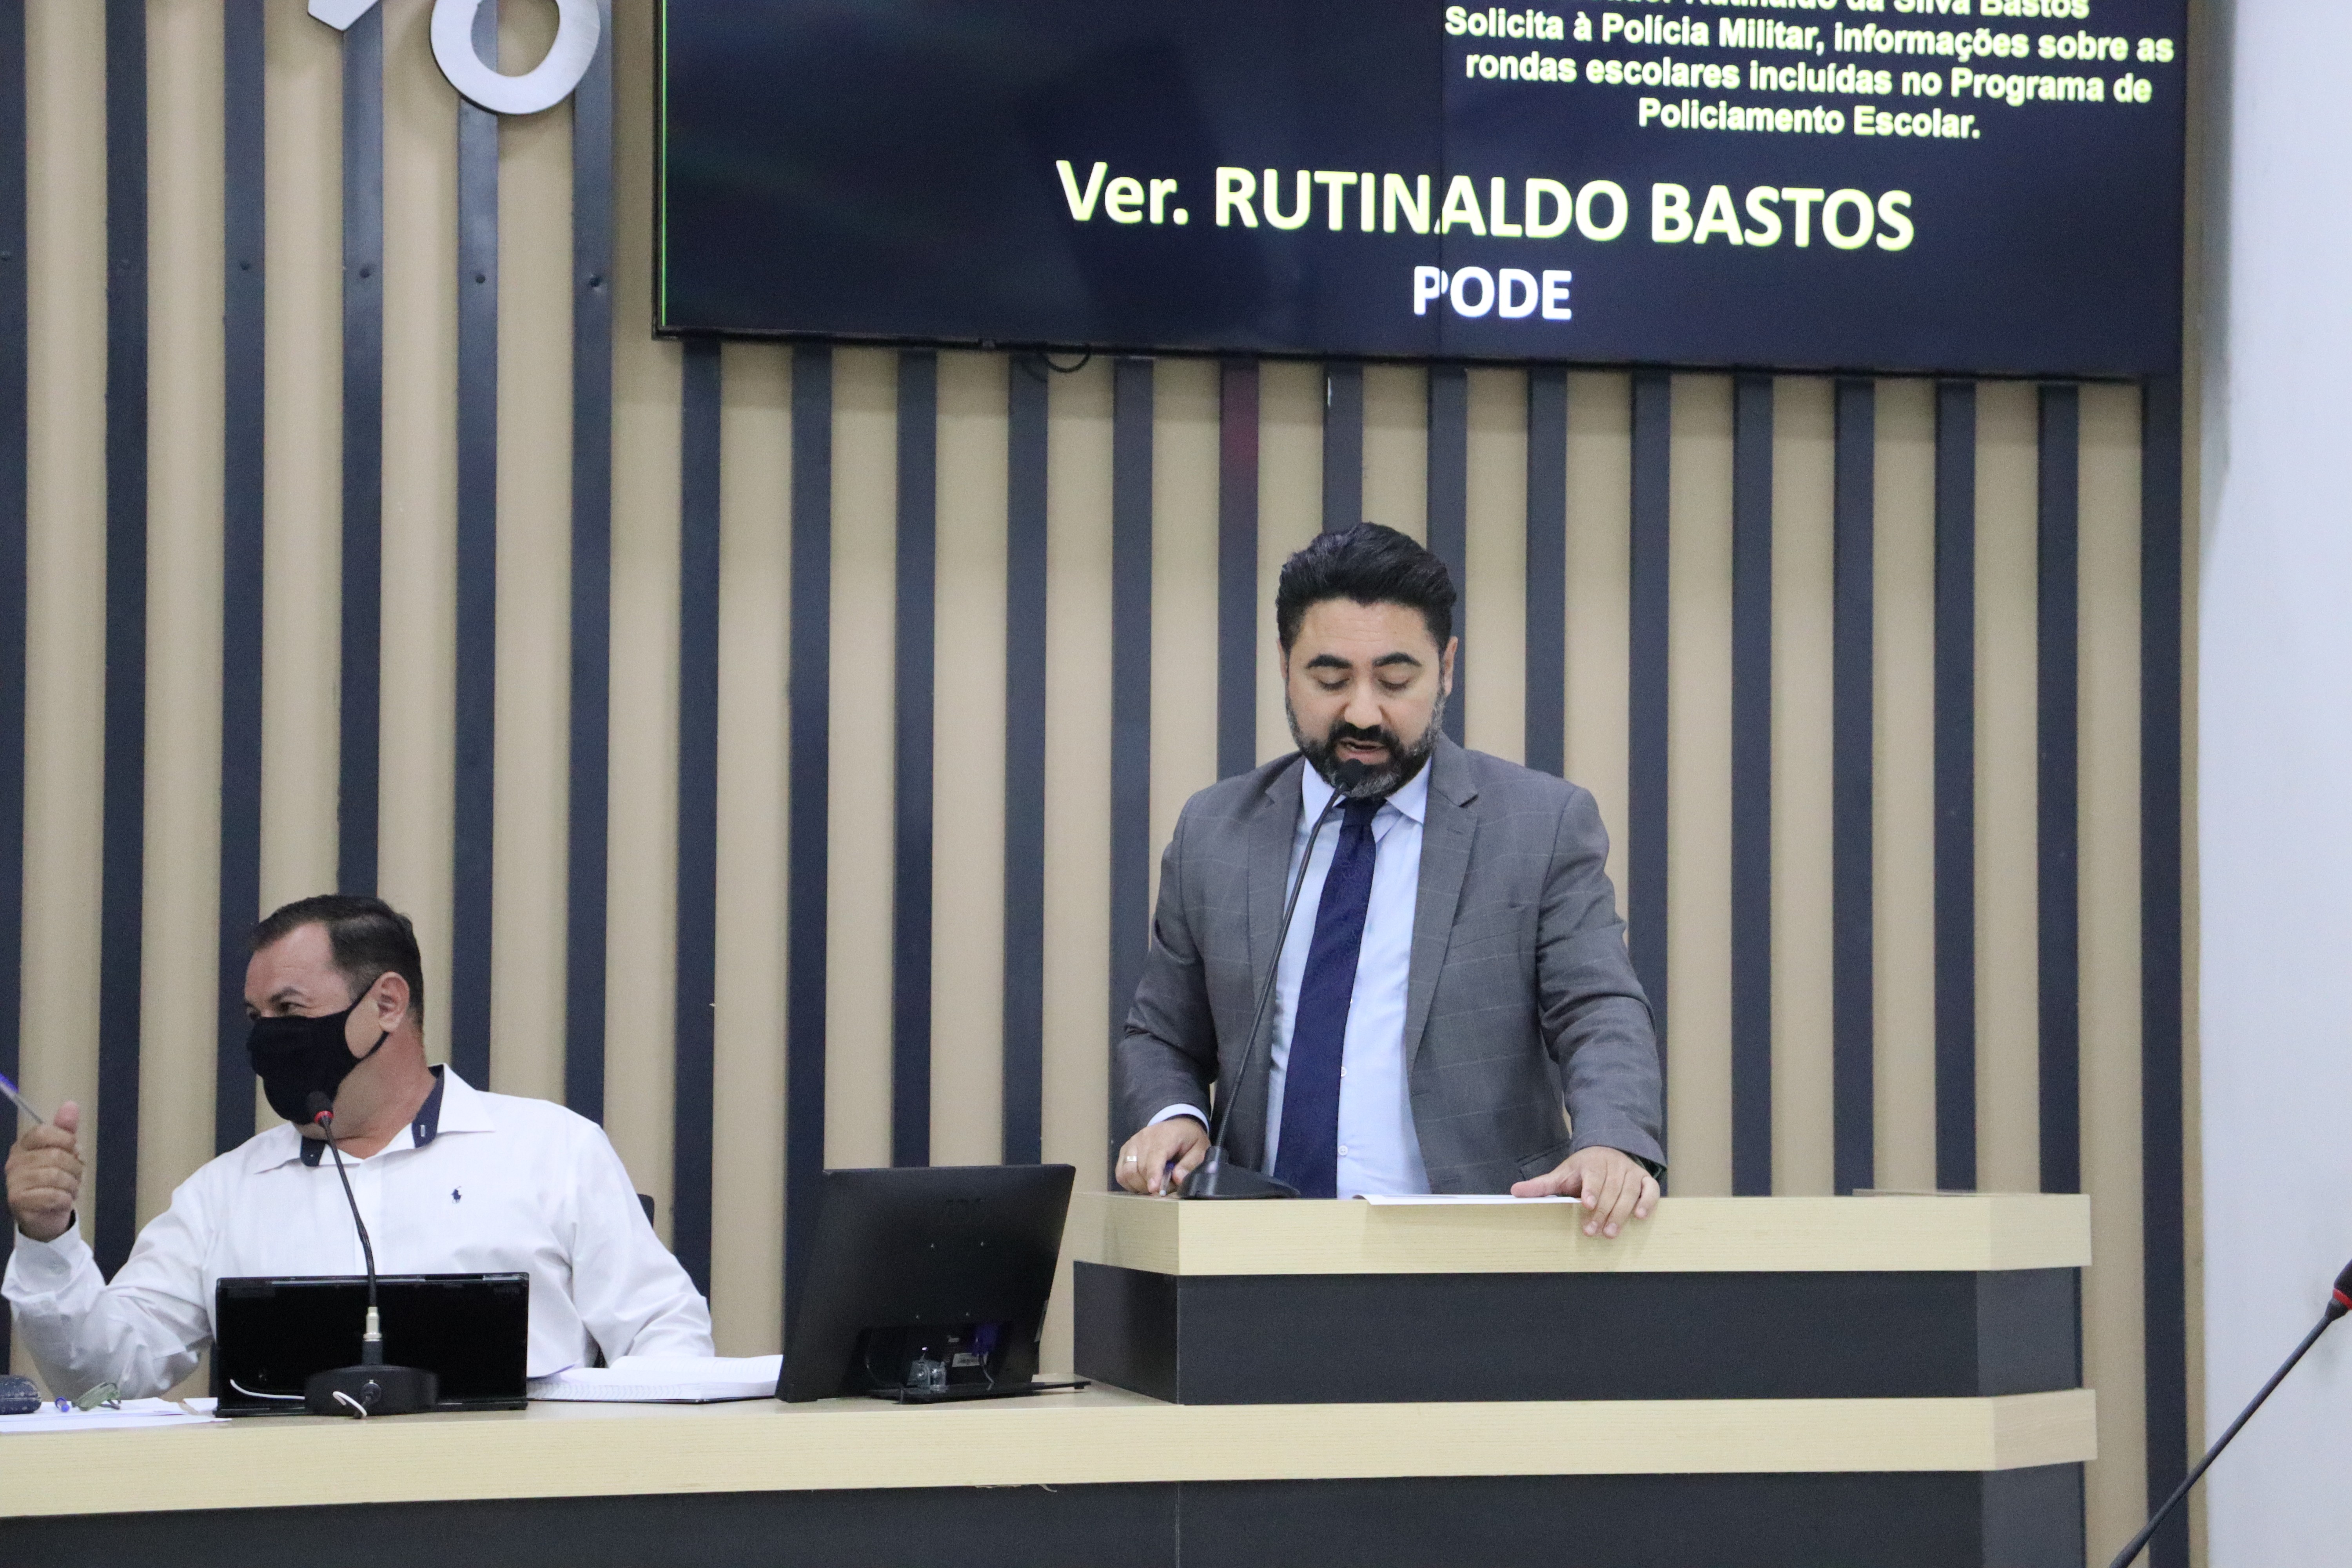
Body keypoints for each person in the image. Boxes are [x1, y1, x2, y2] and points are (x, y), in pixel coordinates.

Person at [1114, 523, 1664, 1235]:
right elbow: (1162, 1034)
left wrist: (1612, 1140)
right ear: (1284, 665)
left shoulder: (1540, 825)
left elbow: (1598, 1011)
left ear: (1447, 667)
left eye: (1396, 680)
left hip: (1479, 1249)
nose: (1363, 712)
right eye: (1330, 680)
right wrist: (1175, 1115)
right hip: (1257, 1253)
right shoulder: (1216, 830)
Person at [3, 895, 711, 1398]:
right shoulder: (225, 1193)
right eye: (256, 1016)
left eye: (289, 1009)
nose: (267, 1036)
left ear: (387, 1004)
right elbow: (103, 1377)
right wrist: (47, 1239)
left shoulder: (552, 1150)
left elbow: (666, 1334)